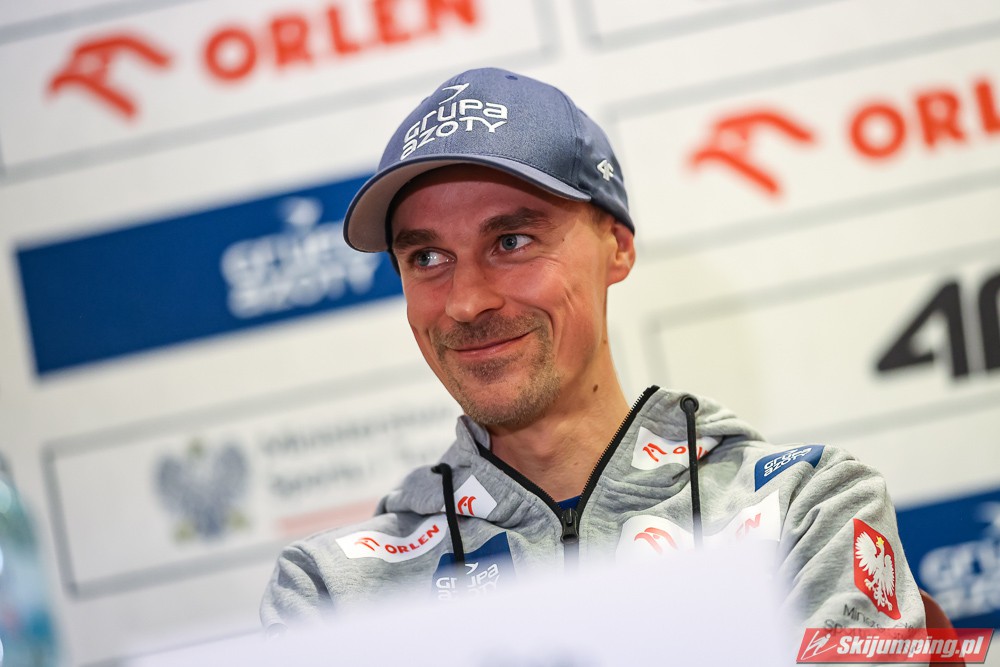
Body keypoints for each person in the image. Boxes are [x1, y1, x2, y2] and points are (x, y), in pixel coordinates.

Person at [260, 67, 925, 634]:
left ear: (618, 246)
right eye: (427, 257)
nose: (466, 302)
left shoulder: (807, 508)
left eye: (511, 241)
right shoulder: (331, 591)